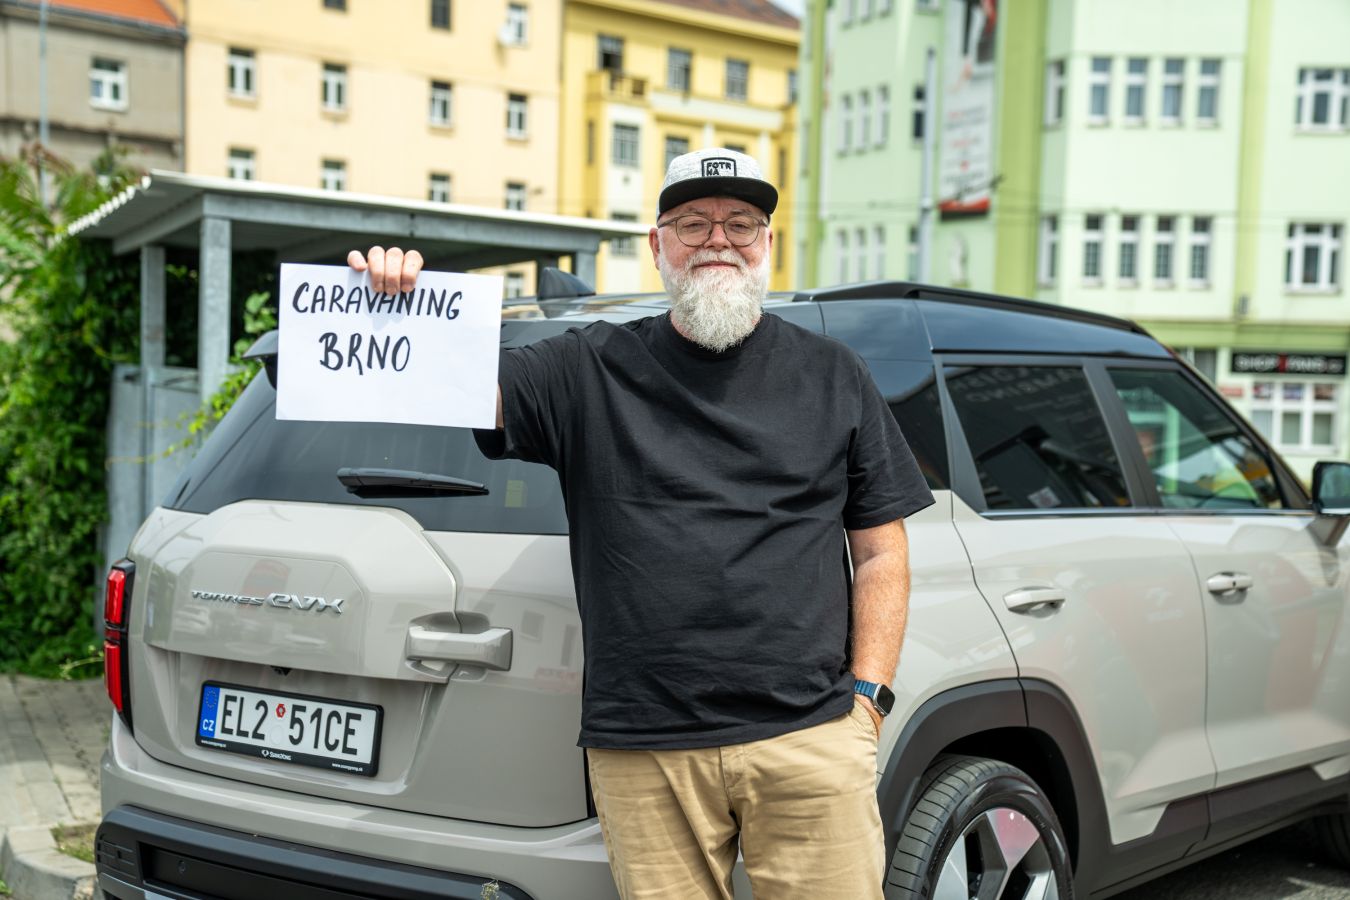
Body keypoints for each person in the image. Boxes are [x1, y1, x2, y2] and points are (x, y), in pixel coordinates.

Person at [348, 147, 934, 900]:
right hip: (645, 751)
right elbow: (459, 387)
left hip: (810, 740)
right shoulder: (586, 369)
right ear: (656, 245)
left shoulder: (834, 374)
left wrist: (867, 702)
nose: (717, 240)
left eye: (741, 224)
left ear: (767, 246)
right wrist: (397, 301)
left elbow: (882, 550)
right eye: (691, 223)